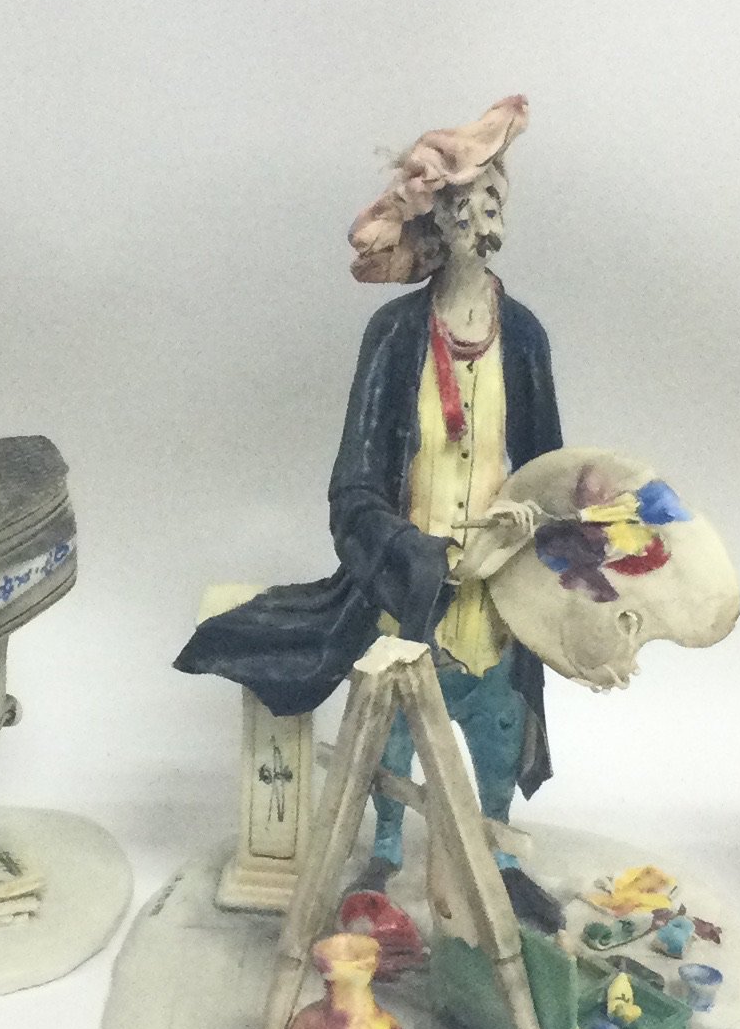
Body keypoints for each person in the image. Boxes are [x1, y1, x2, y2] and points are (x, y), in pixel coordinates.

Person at [175, 95, 561, 882]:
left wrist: (537, 527)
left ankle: (500, 862)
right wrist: (407, 552)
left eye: (490, 198)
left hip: (496, 599)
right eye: (462, 202)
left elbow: (553, 472)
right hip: (406, 593)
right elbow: (352, 484)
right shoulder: (394, 335)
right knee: (392, 733)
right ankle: (382, 856)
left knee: (496, 728)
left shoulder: (521, 337)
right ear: (434, 222)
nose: (479, 216)